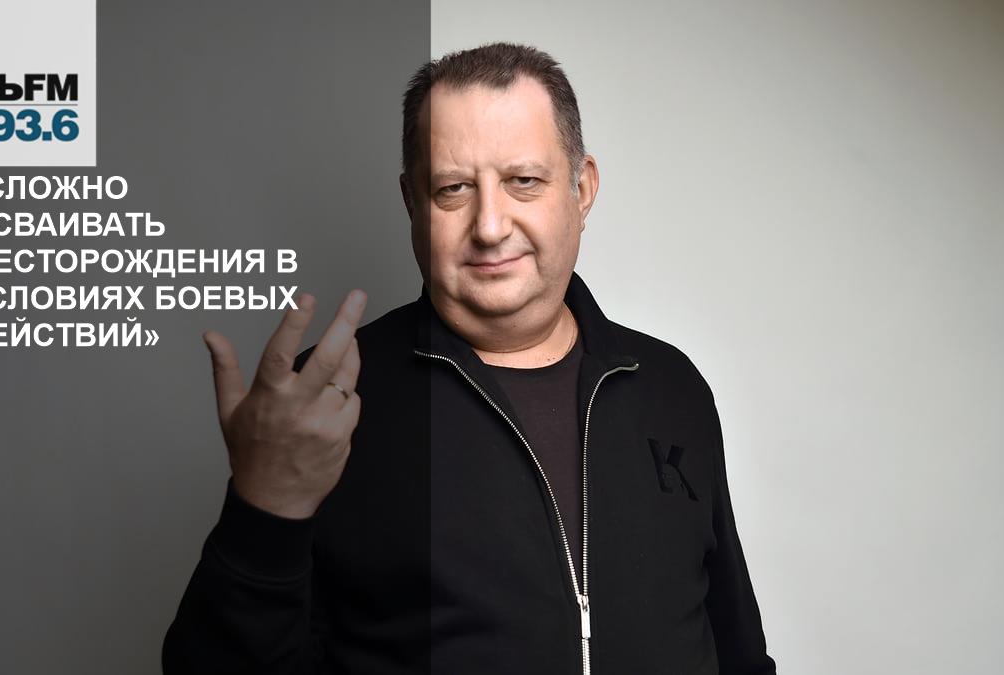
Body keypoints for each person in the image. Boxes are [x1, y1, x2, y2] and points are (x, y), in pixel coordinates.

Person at [163, 42, 776, 674]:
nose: (489, 226)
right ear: (412, 203)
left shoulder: (671, 386)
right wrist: (264, 508)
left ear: (582, 188)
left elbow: (738, 650)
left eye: (523, 181)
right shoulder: (322, 403)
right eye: (452, 189)